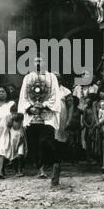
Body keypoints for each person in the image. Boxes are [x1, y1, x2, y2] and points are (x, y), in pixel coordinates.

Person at [18, 55, 62, 186]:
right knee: (34, 146)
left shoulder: (52, 77)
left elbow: (55, 95)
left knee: (46, 141)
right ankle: (41, 169)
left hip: (47, 116)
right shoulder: (27, 77)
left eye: (40, 61)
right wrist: (30, 108)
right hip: (32, 117)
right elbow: (23, 96)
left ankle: (56, 164)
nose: (38, 63)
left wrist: (43, 105)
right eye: (35, 61)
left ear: (45, 63)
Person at [54, 72, 73, 162]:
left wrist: (69, 120)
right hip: (50, 117)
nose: (57, 80)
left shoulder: (66, 91)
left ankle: (59, 159)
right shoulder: (47, 90)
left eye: (58, 78)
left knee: (61, 137)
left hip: (62, 117)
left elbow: (70, 106)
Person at [8, 112, 27, 177]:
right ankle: (16, 171)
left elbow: (24, 138)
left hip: (20, 143)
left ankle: (20, 170)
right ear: (13, 121)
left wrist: (26, 146)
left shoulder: (22, 129)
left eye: (20, 121)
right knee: (14, 157)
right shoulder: (10, 129)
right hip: (13, 144)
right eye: (16, 121)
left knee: (20, 155)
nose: (18, 123)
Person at [66, 97, 82, 164]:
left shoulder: (79, 110)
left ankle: (76, 158)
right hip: (70, 128)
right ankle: (71, 158)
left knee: (77, 143)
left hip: (77, 129)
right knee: (71, 143)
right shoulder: (68, 110)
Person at [81, 95, 96, 164]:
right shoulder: (86, 109)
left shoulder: (95, 108)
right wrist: (88, 126)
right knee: (88, 143)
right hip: (88, 127)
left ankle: (95, 157)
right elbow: (83, 119)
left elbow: (95, 118)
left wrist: (92, 126)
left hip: (95, 127)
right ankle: (89, 158)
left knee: (95, 143)